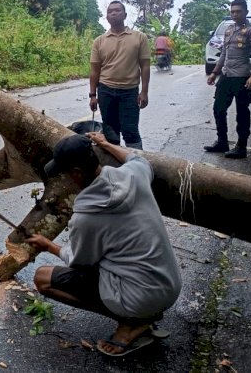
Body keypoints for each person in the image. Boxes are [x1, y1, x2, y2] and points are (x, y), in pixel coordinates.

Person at [26, 132, 182, 356]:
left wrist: (48, 245)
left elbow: (79, 263)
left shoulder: (87, 217)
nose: (65, 178)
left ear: (77, 173)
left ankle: (132, 323)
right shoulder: (133, 175)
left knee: (43, 279)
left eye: (66, 172)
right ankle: (140, 315)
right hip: (169, 285)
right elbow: (137, 160)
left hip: (141, 297)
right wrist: (106, 144)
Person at [204, 0, 251, 159]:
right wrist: (214, 73)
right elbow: (224, 53)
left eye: (238, 11)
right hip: (226, 75)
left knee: (242, 113)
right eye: (232, 11)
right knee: (218, 109)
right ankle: (222, 142)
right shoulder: (229, 30)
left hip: (242, 77)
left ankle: (241, 147)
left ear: (246, 12)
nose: (235, 14)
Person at [88, 1, 151, 149]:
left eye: (117, 10)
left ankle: (137, 165)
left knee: (131, 132)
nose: (114, 13)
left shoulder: (139, 37)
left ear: (125, 15)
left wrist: (144, 92)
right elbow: (94, 70)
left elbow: (145, 66)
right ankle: (114, 165)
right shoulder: (99, 41)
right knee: (111, 133)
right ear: (107, 17)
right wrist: (92, 95)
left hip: (129, 92)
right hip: (105, 91)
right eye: (110, 11)